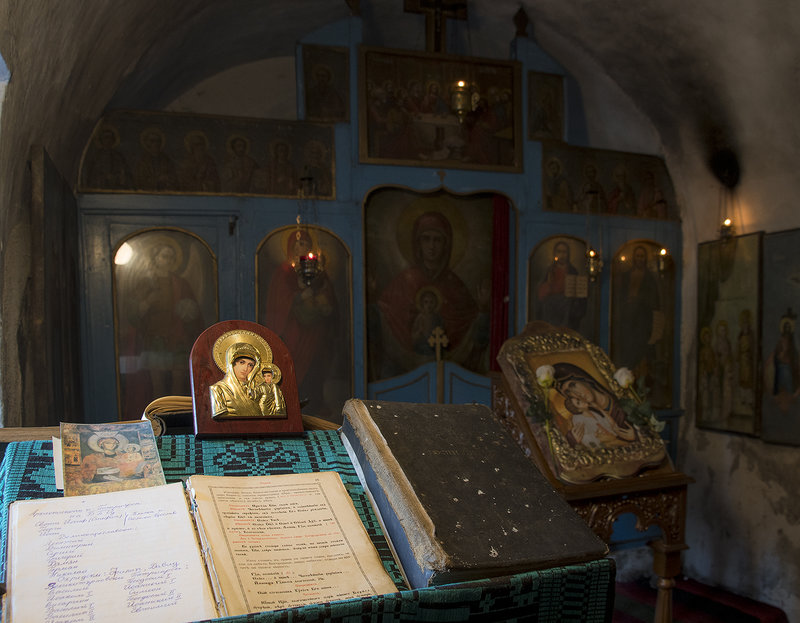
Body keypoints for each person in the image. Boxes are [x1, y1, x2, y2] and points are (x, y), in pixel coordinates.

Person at [377, 211, 488, 376]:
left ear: (446, 245)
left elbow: (471, 325)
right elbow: (385, 315)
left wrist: (483, 311)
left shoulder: (455, 285)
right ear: (418, 243)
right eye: (426, 239)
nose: (431, 246)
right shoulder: (402, 282)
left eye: (438, 240)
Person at [263, 229, 338, 416]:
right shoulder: (283, 272)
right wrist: (301, 296)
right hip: (293, 334)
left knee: (314, 369)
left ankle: (315, 406)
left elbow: (329, 300)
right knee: (293, 370)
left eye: (304, 245)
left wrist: (321, 300)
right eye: (297, 245)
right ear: (290, 248)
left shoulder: (319, 272)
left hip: (314, 334)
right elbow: (281, 301)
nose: (300, 249)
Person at [553, 362, 637, 444]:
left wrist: (636, 435)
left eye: (573, 385)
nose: (577, 394)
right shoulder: (587, 415)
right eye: (569, 393)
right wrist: (572, 439)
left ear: (584, 380)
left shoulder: (620, 398)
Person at [536, 239, 587, 331]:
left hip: (568, 302)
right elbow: (541, 292)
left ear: (568, 254)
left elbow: (578, 291)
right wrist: (548, 284)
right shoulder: (550, 270)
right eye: (559, 252)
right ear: (555, 253)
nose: (562, 255)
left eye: (564, 252)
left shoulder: (572, 270)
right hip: (552, 302)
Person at [210, 342, 264, 418]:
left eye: (250, 365)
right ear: (232, 363)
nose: (245, 368)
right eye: (242, 362)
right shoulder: (218, 389)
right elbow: (222, 420)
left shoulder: (257, 389)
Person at [562, 394, 634, 448]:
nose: (582, 400)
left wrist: (599, 408)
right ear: (578, 409)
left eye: (579, 399)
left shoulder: (592, 412)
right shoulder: (578, 419)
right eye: (578, 402)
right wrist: (604, 438)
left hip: (615, 438)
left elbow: (612, 425)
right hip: (607, 445)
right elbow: (587, 440)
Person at [134, 126, 177, 191]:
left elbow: (173, 177)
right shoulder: (142, 161)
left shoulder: (166, 159)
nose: (155, 143)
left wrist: (167, 179)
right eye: (152, 141)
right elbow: (139, 180)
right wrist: (157, 180)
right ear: (147, 143)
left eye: (158, 141)